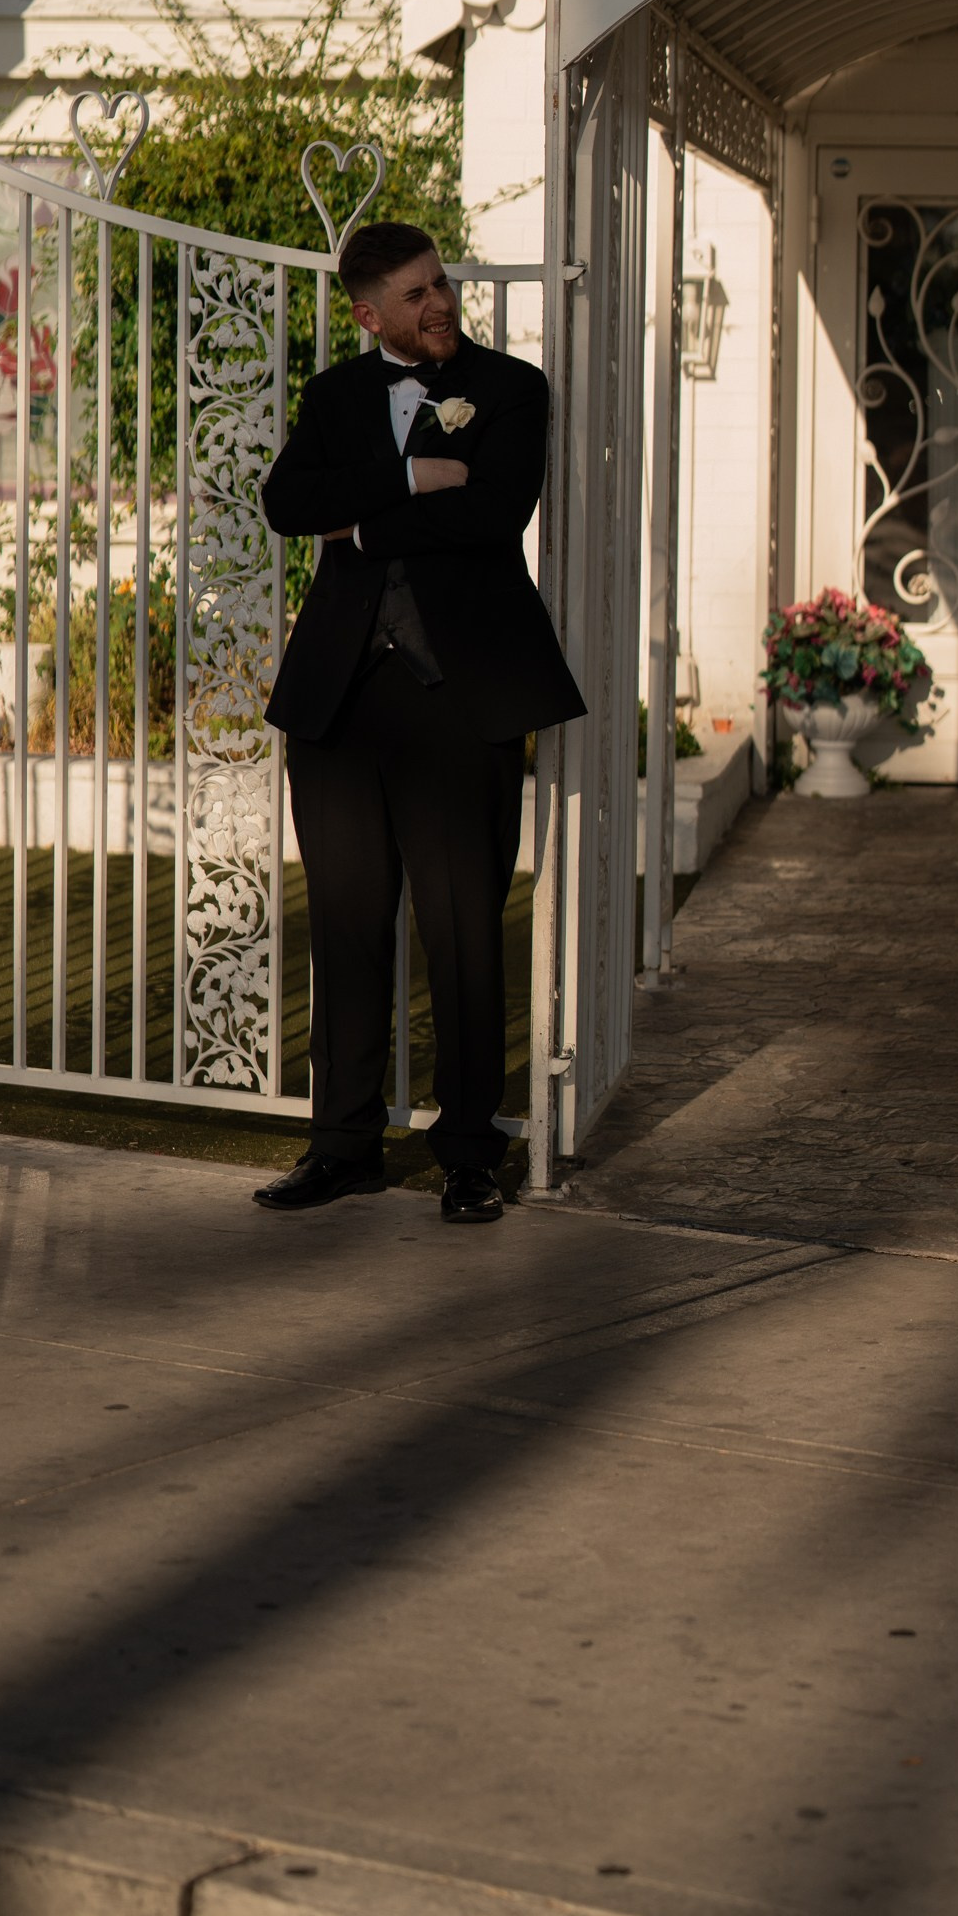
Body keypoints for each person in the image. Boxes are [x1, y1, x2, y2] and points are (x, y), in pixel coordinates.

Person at [254, 221, 584, 1223]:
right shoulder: (336, 397)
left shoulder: (512, 388)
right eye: (414, 295)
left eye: (439, 285)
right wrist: (404, 479)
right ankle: (343, 1145)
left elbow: (493, 515)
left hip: (460, 699)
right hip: (340, 704)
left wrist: (356, 522)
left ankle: (469, 1156)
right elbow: (283, 503)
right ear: (369, 315)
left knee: (461, 935)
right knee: (349, 930)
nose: (438, 305)